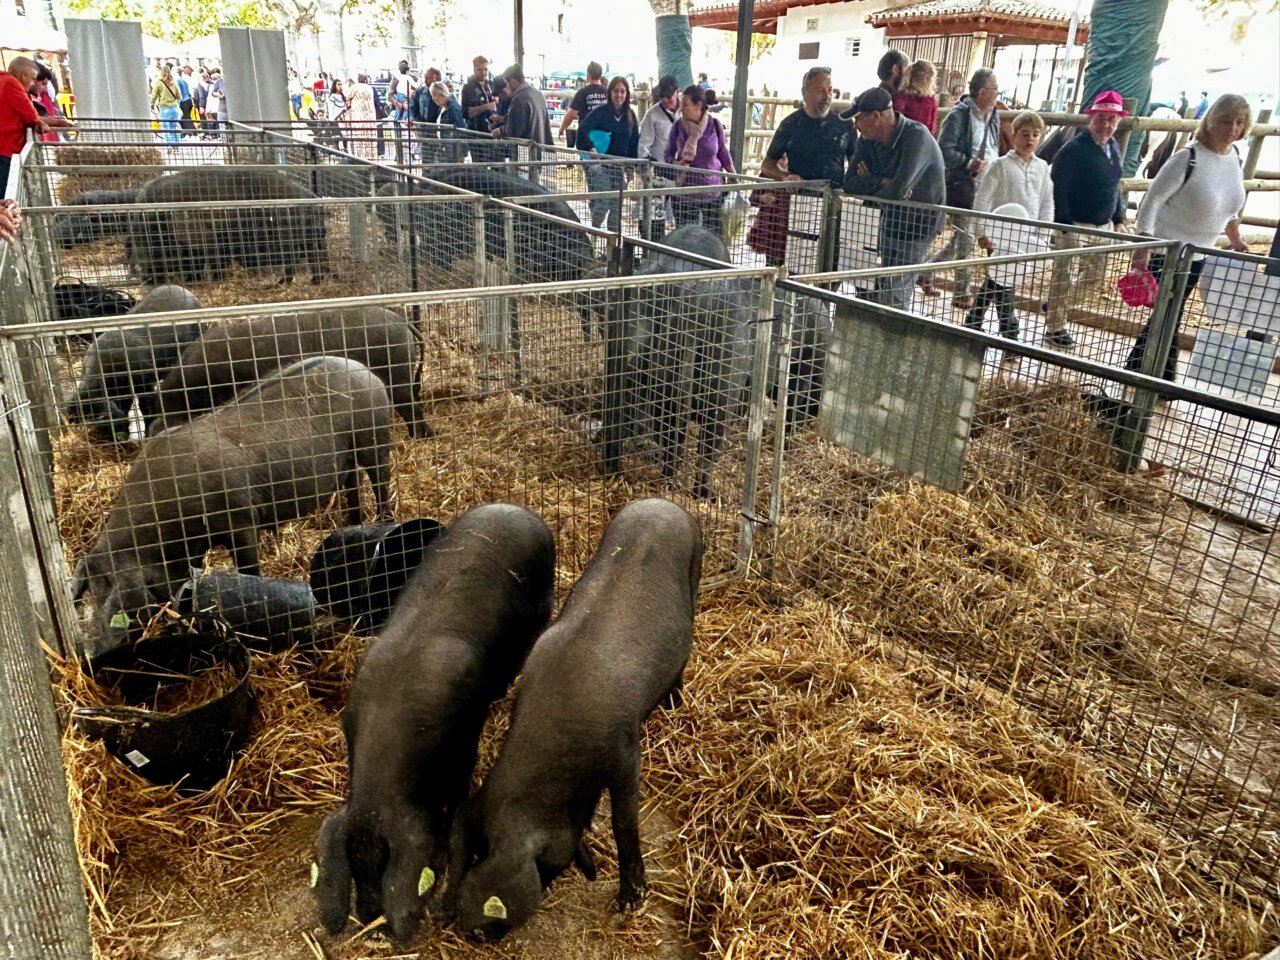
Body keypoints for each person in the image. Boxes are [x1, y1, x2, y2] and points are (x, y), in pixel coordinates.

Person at [1125, 93, 1251, 382]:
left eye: (1240, 122)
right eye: (1226, 121)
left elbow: (1228, 206)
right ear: (1211, 122)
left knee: (1171, 312)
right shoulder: (1188, 158)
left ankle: (1139, 369)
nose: (1233, 128)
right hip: (1169, 250)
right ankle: (1162, 377)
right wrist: (1144, 244)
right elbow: (1151, 201)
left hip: (1199, 253)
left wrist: (1235, 239)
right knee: (1168, 311)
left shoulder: (1234, 158)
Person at [841, 86, 945, 310]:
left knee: (895, 290)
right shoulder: (868, 139)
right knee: (873, 286)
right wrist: (883, 181)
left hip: (919, 224)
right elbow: (849, 183)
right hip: (887, 220)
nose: (855, 126)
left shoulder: (916, 137)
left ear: (876, 117)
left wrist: (874, 182)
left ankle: (894, 340)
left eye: (859, 119)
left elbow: (898, 190)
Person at [1045, 89, 1131, 348]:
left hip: (1102, 223)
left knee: (1095, 275)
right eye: (1101, 118)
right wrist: (1064, 223)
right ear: (1090, 118)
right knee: (1065, 274)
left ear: (1118, 122)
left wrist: (1119, 218)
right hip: (1075, 223)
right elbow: (1059, 185)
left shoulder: (1114, 148)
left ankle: (1056, 306)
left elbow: (1116, 185)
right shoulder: (1073, 149)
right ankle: (1055, 327)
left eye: (1112, 119)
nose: (1106, 124)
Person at [754, 66, 857, 265]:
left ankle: (826, 294)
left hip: (833, 202)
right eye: (820, 90)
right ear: (805, 92)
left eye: (830, 90)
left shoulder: (845, 124)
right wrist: (785, 176)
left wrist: (848, 190)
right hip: (800, 201)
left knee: (831, 261)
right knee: (797, 260)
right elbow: (767, 164)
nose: (827, 95)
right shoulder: (790, 124)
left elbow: (855, 164)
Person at [966, 110, 1054, 341]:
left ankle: (974, 319)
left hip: (1027, 235)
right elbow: (983, 198)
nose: (1030, 139)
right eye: (1025, 134)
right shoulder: (1000, 166)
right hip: (1001, 232)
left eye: (1035, 134)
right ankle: (1010, 331)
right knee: (1004, 279)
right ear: (1014, 136)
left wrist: (1043, 233)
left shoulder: (1042, 167)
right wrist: (982, 231)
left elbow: (1046, 200)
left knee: (1000, 278)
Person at [924, 67, 1001, 307]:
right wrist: (969, 163)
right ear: (982, 91)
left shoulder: (994, 115)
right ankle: (961, 291)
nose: (997, 93)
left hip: (985, 184)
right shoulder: (959, 116)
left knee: (962, 237)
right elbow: (944, 149)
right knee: (966, 239)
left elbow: (993, 145)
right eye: (994, 89)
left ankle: (926, 270)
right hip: (964, 184)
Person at [664, 84, 735, 234]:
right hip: (685, 193)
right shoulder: (678, 126)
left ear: (699, 105)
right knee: (686, 238)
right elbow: (668, 153)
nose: (681, 108)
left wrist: (733, 175)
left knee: (713, 237)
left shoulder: (714, 125)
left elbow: (722, 151)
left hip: (712, 192)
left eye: (685, 104)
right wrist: (677, 164)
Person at [576, 75, 640, 230]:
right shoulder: (601, 112)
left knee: (617, 205)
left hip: (621, 166)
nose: (619, 95)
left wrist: (632, 167)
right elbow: (582, 130)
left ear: (627, 94)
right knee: (603, 201)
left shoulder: (630, 116)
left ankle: (613, 246)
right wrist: (591, 149)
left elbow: (633, 143)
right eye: (616, 91)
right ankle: (595, 233)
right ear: (610, 93)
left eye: (622, 92)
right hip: (601, 164)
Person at [637, 74, 679, 241]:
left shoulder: (687, 110)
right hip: (659, 168)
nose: (666, 100)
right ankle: (654, 247)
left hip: (682, 168)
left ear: (677, 92)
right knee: (654, 213)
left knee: (681, 211)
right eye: (662, 96)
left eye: (669, 96)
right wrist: (646, 169)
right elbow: (644, 144)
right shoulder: (652, 114)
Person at [2, 58, 49, 192]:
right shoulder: (11, 83)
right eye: (33, 79)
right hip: (5, 147)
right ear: (24, 75)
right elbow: (29, 113)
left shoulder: (3, 80)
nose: (33, 83)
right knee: (7, 194)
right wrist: (39, 122)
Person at [496, 64, 552, 144]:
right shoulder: (538, 94)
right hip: (542, 146)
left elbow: (514, 131)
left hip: (526, 151)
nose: (507, 86)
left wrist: (499, 131)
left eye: (506, 83)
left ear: (512, 81)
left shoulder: (518, 99)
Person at [559, 61, 607, 144]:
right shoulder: (608, 92)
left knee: (587, 156)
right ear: (600, 75)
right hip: (604, 137)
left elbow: (570, 115)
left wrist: (562, 129)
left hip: (587, 138)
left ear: (588, 75)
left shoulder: (582, 93)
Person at [898, 59, 938, 134]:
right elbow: (932, 127)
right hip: (924, 140)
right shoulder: (930, 100)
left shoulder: (901, 97)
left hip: (903, 140)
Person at [461, 56, 499, 135]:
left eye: (485, 69)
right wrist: (487, 106)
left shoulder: (491, 85)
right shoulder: (468, 88)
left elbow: (496, 102)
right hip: (475, 133)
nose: (483, 73)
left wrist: (497, 100)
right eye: (480, 70)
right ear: (474, 69)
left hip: (491, 132)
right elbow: (466, 113)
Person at [346, 73, 377, 159]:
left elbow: (347, 96)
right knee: (370, 135)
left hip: (358, 115)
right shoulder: (369, 88)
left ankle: (360, 156)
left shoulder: (354, 87)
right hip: (370, 115)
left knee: (359, 135)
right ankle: (371, 155)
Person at [150, 63, 183, 144]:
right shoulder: (173, 83)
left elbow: (153, 96)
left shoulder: (159, 83)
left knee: (165, 128)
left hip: (164, 108)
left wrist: (152, 103)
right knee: (174, 128)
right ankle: (176, 145)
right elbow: (179, 97)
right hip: (174, 108)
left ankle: (169, 145)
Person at [390, 60, 415, 124]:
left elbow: (416, 91)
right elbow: (390, 95)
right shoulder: (396, 79)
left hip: (410, 105)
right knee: (398, 121)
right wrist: (397, 103)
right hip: (399, 104)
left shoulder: (412, 78)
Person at [178, 65, 196, 134]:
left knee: (185, 118)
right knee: (187, 117)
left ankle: (192, 133)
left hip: (183, 101)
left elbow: (178, 92)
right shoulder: (183, 80)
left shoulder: (177, 80)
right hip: (188, 100)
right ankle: (191, 132)